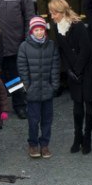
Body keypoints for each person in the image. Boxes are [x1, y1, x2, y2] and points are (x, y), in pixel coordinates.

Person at [48, 0, 92, 153]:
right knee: (77, 107)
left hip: (87, 69)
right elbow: (63, 50)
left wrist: (78, 69)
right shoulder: (56, 27)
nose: (52, 16)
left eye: (53, 13)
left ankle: (87, 137)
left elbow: (86, 50)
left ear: (61, 12)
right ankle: (78, 137)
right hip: (72, 70)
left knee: (89, 105)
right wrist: (69, 70)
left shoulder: (78, 25)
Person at [17, 15, 60, 157]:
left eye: (41, 29)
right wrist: (27, 86)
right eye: (36, 30)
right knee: (33, 121)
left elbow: (55, 66)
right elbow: (22, 68)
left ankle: (45, 145)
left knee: (47, 120)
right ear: (31, 31)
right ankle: (33, 145)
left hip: (47, 90)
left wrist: (54, 85)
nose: (39, 32)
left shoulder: (51, 45)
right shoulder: (24, 46)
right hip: (32, 91)